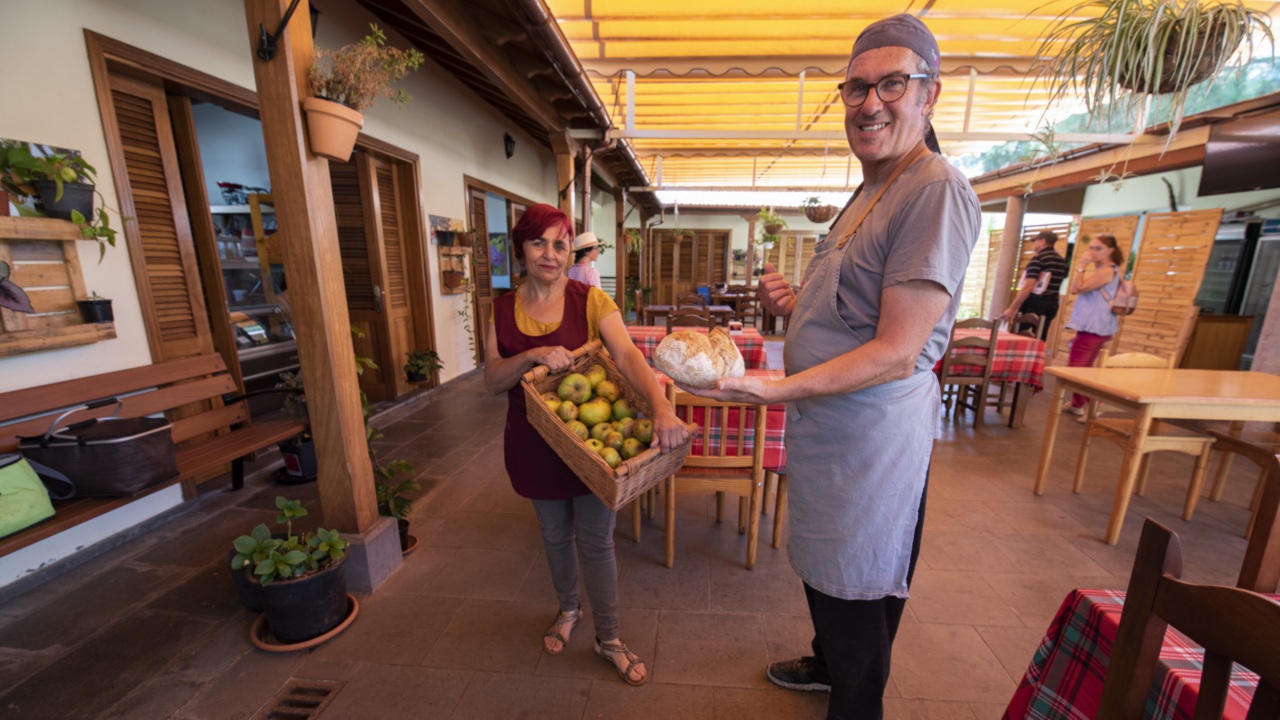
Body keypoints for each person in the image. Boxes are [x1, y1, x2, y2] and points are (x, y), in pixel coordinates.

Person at [679, 14, 980, 719]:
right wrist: (791, 306)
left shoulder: (931, 189)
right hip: (831, 423)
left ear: (930, 94)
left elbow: (898, 348)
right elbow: (852, 315)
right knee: (830, 573)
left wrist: (778, 388)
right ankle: (828, 664)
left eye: (892, 84)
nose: (870, 103)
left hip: (870, 436)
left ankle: (855, 701)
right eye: (856, 88)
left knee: (858, 582)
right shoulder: (868, 190)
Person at [483, 204, 688, 686]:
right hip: (534, 443)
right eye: (539, 243)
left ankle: (609, 637)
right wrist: (531, 354)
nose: (550, 254)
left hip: (596, 449)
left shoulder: (590, 301)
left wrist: (660, 408)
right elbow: (492, 380)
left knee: (596, 542)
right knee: (554, 536)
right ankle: (569, 609)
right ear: (521, 250)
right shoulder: (500, 309)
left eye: (560, 243)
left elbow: (628, 355)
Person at [1061, 233, 1124, 417]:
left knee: (1077, 369)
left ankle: (1093, 405)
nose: (1093, 252)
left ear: (1110, 251)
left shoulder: (1107, 271)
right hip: (1095, 327)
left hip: (1094, 327)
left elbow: (1076, 288)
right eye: (1091, 248)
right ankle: (1079, 403)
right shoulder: (1110, 270)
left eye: (1099, 249)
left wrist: (1081, 266)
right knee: (1083, 368)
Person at [1000, 229, 1068, 339]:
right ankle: (1036, 355)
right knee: (1040, 336)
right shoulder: (1061, 261)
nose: (1034, 244)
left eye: (1036, 241)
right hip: (1053, 303)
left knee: (1017, 334)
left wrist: (1011, 309)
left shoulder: (1038, 259)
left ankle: (1014, 356)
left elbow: (1028, 286)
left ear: (1043, 241)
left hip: (1035, 301)